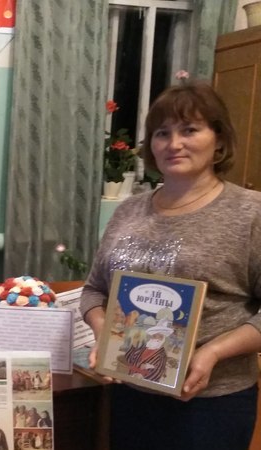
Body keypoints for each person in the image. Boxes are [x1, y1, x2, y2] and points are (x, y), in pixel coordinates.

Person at [80, 82, 261, 450]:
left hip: (210, 403)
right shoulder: (129, 211)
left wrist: (213, 352)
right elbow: (94, 290)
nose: (174, 143)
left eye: (189, 130)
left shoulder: (251, 213)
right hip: (130, 393)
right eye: (162, 133)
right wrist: (106, 333)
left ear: (219, 140)